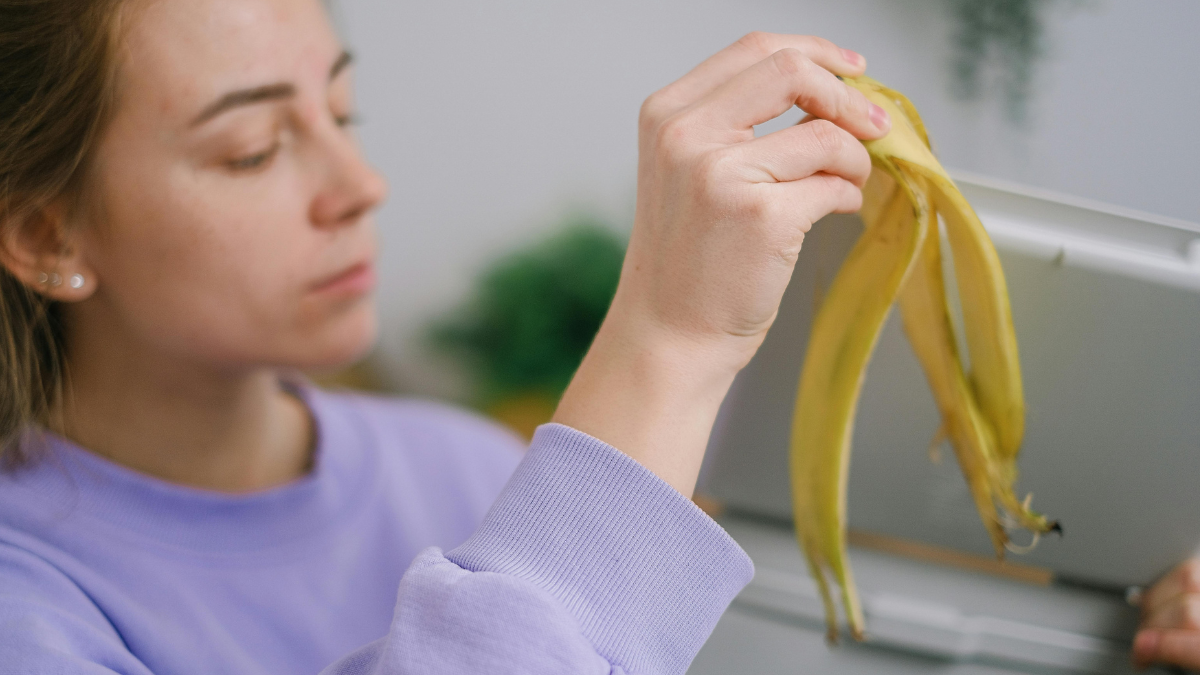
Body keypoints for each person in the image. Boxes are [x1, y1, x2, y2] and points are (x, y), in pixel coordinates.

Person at [0, 0, 885, 672]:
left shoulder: (468, 468)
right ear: (48, 235)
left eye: (342, 115)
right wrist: (669, 338)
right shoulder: (31, 602)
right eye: (253, 149)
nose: (359, 183)